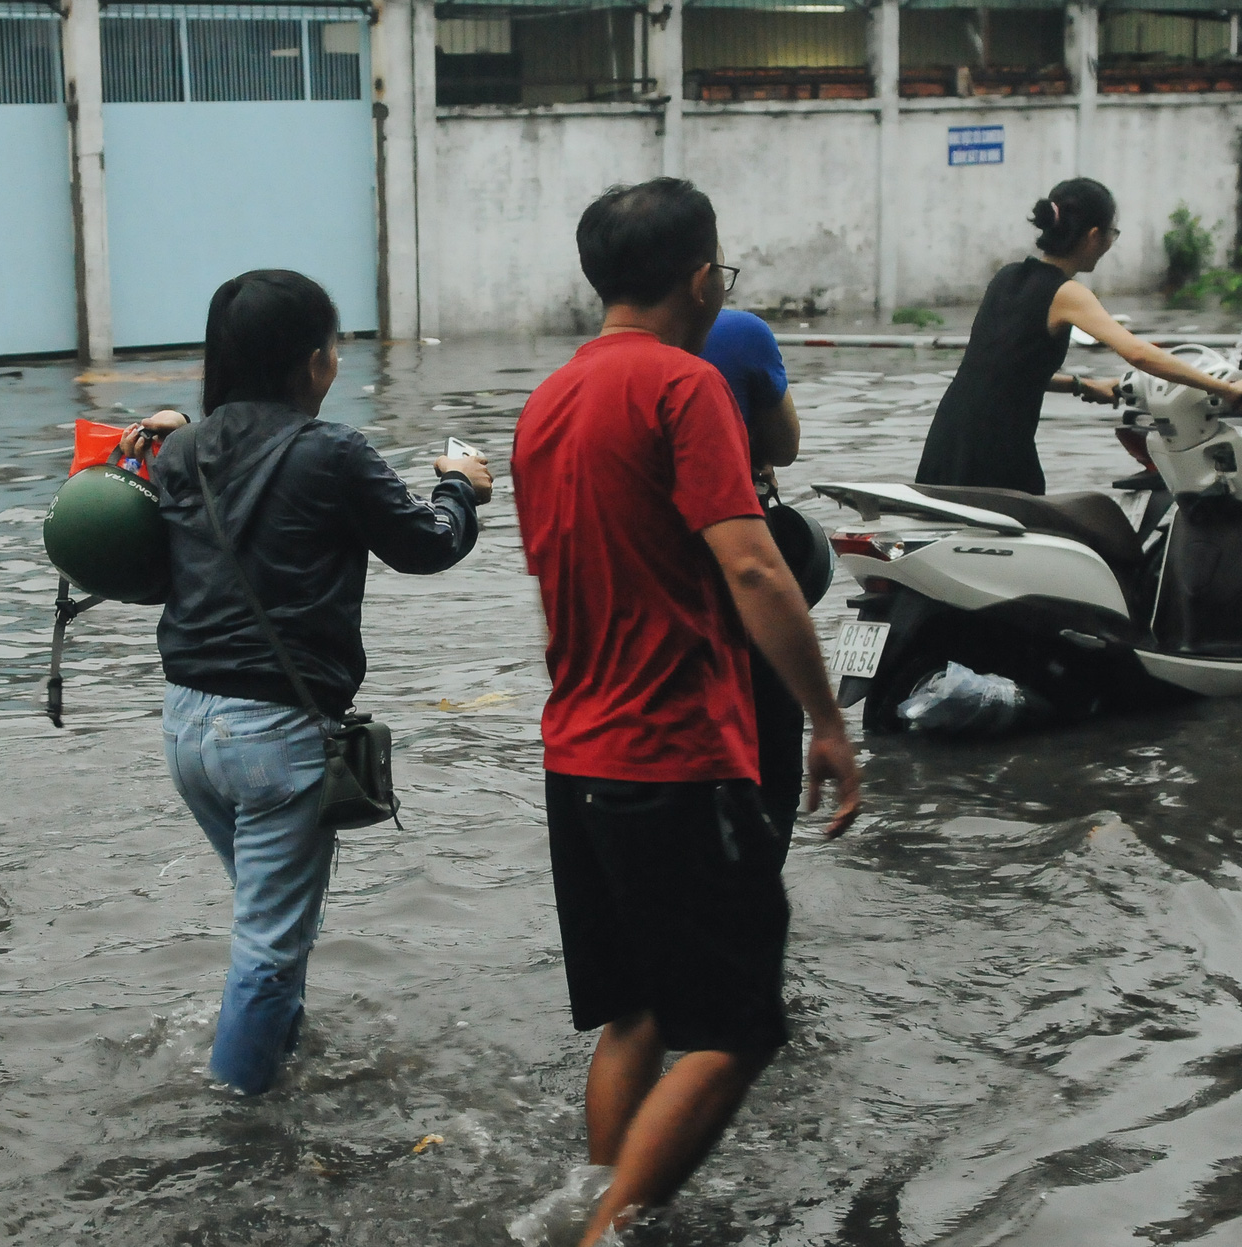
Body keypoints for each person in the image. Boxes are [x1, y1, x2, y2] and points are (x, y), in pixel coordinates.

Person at [510, 178, 861, 1247]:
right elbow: (755, 567)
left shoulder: (543, 400)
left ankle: (596, 1197)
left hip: (574, 754)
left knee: (640, 1012)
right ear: (700, 277)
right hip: (669, 756)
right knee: (738, 1028)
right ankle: (602, 1233)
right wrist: (827, 720)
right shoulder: (681, 385)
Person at [122, 269, 493, 1095]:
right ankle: (237, 1126)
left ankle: (278, 1065)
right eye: (332, 347)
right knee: (269, 940)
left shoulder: (181, 449)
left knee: (272, 921)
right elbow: (426, 545)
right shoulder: (331, 450)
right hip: (274, 738)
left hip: (185, 727)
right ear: (311, 361)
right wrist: (460, 489)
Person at [917, 177, 1242, 495]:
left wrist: (1082, 386)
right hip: (996, 448)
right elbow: (1139, 354)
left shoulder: (1006, 278)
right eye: (1112, 234)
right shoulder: (1067, 293)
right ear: (1094, 236)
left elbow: (1005, 369)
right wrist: (1225, 389)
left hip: (949, 437)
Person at [700, 308, 805, 837]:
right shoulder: (738, 333)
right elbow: (786, 446)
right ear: (702, 277)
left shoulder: (571, 383)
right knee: (771, 742)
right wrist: (830, 722)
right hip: (735, 555)